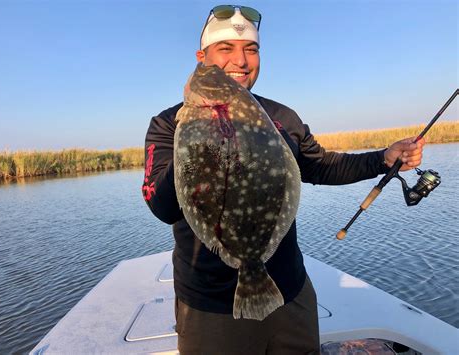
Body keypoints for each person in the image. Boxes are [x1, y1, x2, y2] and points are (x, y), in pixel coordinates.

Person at [142, 5, 425, 354]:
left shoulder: (280, 117)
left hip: (289, 289)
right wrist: (197, 137)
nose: (241, 61)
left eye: (251, 49)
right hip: (211, 302)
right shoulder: (169, 124)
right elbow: (162, 205)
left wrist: (384, 158)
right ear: (202, 57)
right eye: (225, 49)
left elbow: (321, 167)